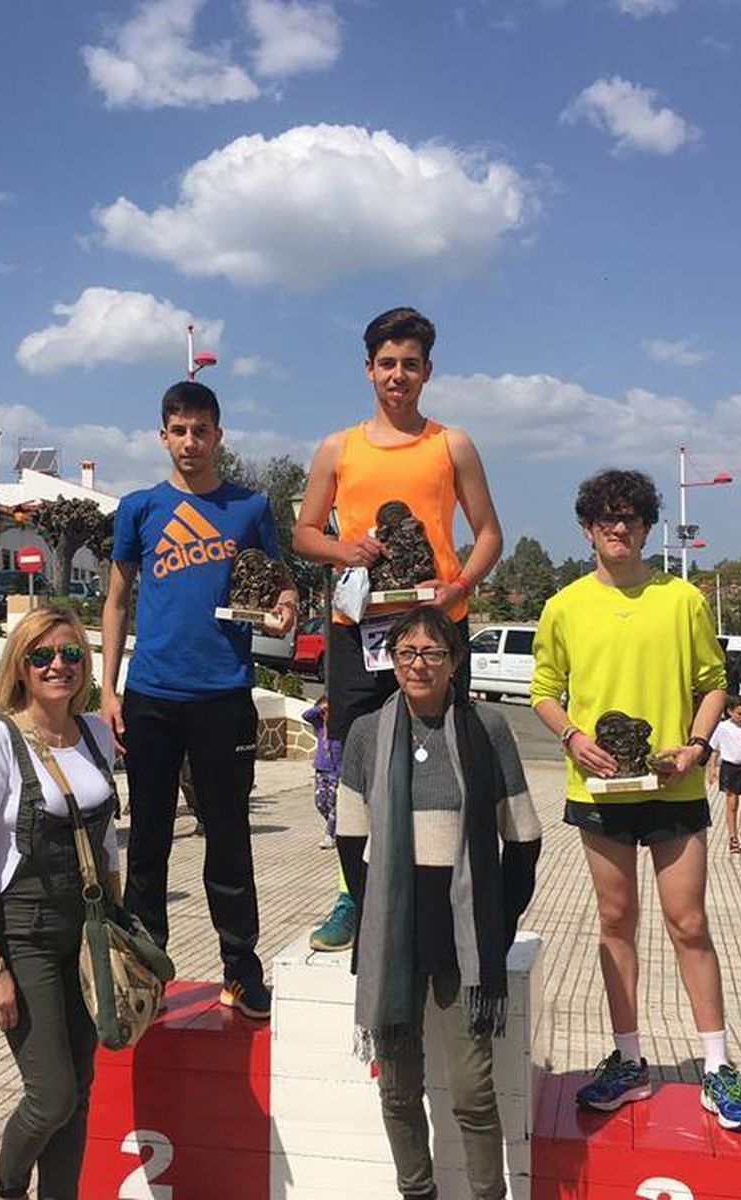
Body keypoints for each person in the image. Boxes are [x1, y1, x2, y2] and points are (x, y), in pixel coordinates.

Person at [530, 469, 741, 1131]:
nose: (618, 528)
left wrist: (695, 745)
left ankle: (716, 1066)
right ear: (587, 528)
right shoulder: (565, 605)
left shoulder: (682, 599)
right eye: (606, 518)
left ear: (647, 527)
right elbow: (544, 690)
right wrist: (573, 737)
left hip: (674, 783)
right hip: (599, 789)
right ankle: (629, 1060)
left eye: (630, 518)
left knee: (688, 924)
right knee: (615, 923)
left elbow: (713, 683)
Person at [292, 306, 503, 953]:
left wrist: (459, 586)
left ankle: (452, 886)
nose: (398, 375)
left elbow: (489, 533)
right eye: (387, 363)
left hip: (435, 629)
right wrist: (343, 549)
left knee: (446, 756)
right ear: (368, 369)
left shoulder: (452, 444)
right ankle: (353, 892)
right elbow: (303, 533)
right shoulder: (338, 447)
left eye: (410, 364)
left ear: (427, 371)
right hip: (359, 630)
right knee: (354, 760)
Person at [100, 380, 297, 1020]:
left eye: (202, 430)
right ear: (163, 435)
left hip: (224, 696)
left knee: (230, 836)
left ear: (219, 434)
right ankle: (148, 969)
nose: (191, 442)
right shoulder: (138, 508)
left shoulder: (250, 507)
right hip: (152, 695)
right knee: (149, 838)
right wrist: (107, 687)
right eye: (179, 430)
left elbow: (281, 587)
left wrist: (285, 610)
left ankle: (240, 968)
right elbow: (116, 600)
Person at [338, 608, 541, 1200]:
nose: (418, 664)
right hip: (395, 932)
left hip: (465, 936)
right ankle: (417, 1192)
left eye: (432, 653)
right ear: (392, 661)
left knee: (473, 1091)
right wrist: (375, 907)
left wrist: (497, 924)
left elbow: (523, 836)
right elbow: (352, 838)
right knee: (398, 1092)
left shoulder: (488, 730)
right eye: (406, 653)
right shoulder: (368, 734)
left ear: (455, 661)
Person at [0, 606, 120, 1200]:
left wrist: (117, 936)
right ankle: (8, 1185)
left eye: (71, 654)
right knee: (51, 1094)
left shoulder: (97, 734)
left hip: (86, 935)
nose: (58, 666)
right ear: (20, 667)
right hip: (25, 935)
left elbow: (105, 844)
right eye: (42, 656)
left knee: (81, 1088)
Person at [707, 696, 741, 854]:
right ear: (729, 712)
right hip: (730, 768)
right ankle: (733, 836)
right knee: (732, 804)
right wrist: (712, 769)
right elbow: (715, 749)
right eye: (739, 713)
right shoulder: (723, 727)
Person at [302, 695, 339, 849]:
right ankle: (336, 828)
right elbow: (306, 715)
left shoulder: (339, 727)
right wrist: (320, 708)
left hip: (336, 770)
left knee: (333, 804)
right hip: (321, 768)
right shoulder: (319, 726)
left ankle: (330, 835)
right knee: (320, 803)